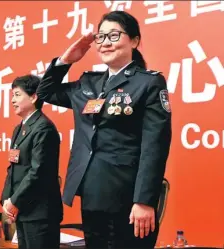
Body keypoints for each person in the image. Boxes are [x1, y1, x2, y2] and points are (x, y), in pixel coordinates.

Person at [37, 11, 172, 248]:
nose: (105, 42)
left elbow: (155, 145)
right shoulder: (88, 82)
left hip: (127, 196)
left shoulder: (148, 82)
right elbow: (45, 92)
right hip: (91, 190)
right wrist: (66, 60)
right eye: (100, 37)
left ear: (134, 40)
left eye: (114, 35)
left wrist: (144, 201)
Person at [1, 75, 63, 249]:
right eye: (12, 95)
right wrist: (8, 201)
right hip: (23, 210)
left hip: (40, 212)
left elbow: (38, 172)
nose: (13, 100)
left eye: (18, 95)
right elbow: (13, 168)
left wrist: (15, 202)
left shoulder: (43, 128)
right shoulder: (19, 128)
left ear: (34, 96)